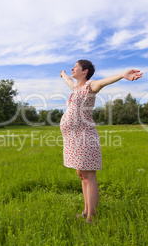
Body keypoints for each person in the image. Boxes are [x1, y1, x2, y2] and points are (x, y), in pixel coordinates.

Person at [59, 60, 142, 224]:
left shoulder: (91, 86)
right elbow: (68, 80)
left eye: (75, 67)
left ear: (85, 71)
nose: (72, 69)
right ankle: (86, 211)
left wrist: (122, 74)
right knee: (81, 174)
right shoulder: (76, 88)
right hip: (73, 138)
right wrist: (63, 74)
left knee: (89, 177)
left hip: (84, 137)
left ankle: (91, 219)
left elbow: (105, 81)